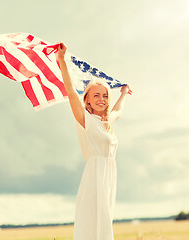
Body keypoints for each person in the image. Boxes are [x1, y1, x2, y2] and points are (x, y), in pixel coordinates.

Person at [56, 42, 131, 240]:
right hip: (95, 176)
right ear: (87, 99)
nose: (101, 99)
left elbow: (118, 111)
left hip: (108, 177)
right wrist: (62, 61)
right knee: (94, 223)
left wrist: (123, 93)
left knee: (105, 222)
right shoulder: (85, 120)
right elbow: (71, 92)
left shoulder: (106, 121)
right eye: (96, 95)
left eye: (105, 95)